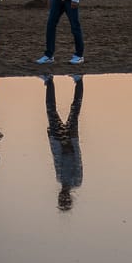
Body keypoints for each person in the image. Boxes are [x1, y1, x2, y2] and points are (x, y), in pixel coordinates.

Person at [44, 73, 84, 210]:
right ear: (70, 198)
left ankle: (49, 81)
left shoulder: (60, 179)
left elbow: (56, 158)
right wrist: (70, 144)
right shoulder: (76, 181)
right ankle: (79, 80)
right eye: (65, 199)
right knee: (75, 109)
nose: (62, 197)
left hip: (58, 141)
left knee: (51, 110)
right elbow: (78, 160)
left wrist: (51, 139)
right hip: (70, 140)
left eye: (61, 199)